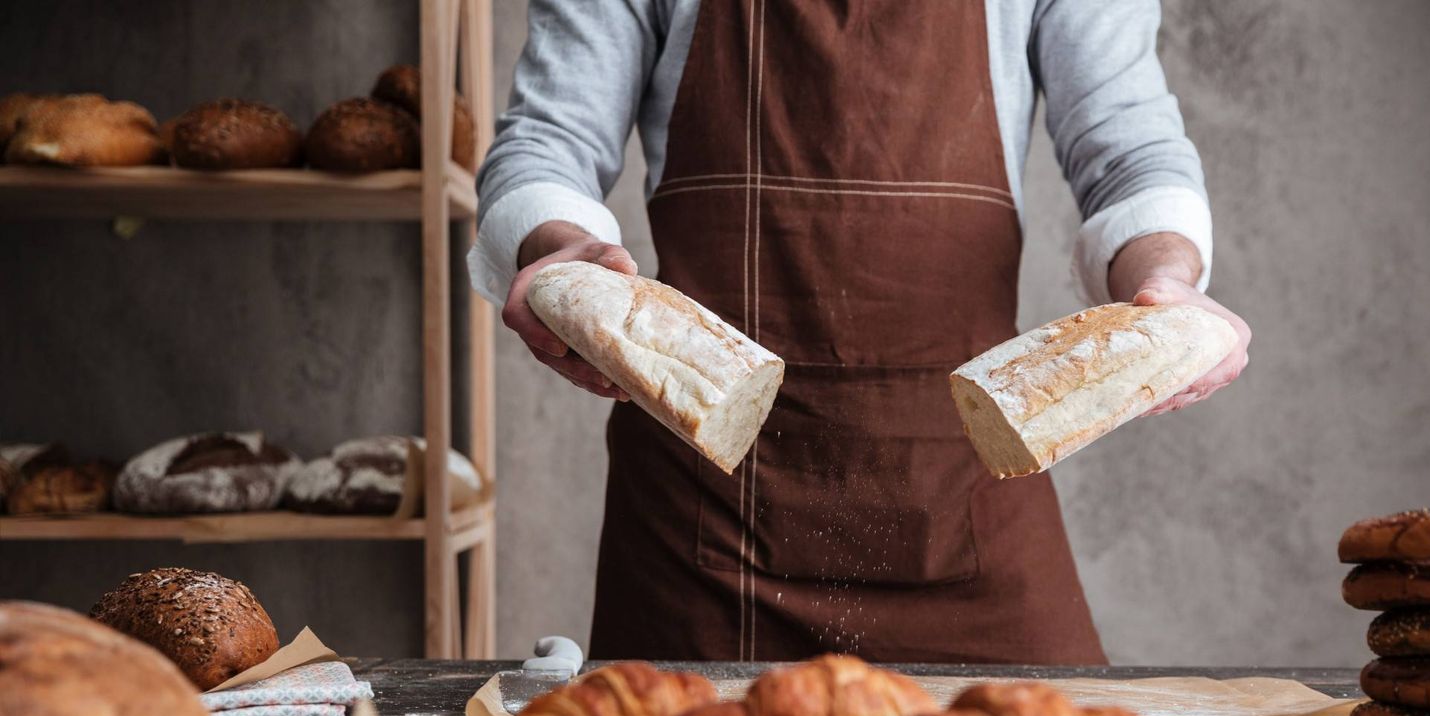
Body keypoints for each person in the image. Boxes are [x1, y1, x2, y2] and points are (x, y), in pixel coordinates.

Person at [468, 1, 1251, 665]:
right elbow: (548, 140)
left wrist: (1167, 276)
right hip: (702, 534)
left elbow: (1131, 153)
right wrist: (554, 244)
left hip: (969, 496)